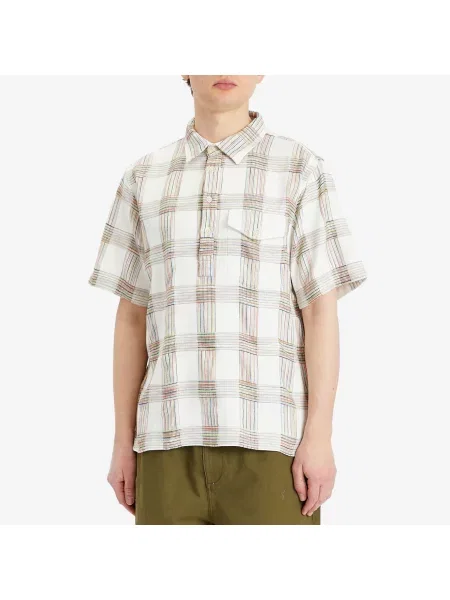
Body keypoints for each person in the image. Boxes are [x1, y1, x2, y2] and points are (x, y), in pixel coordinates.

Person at [88, 75, 367, 525]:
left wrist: (320, 435)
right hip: (164, 438)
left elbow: (320, 311)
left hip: (271, 441)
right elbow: (132, 319)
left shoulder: (299, 168)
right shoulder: (144, 176)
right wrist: (124, 441)